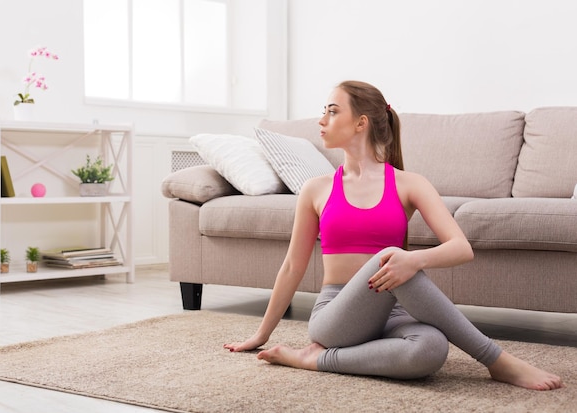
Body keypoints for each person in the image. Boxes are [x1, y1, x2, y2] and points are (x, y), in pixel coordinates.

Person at [223, 80, 563, 391]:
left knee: (431, 349)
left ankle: (312, 359)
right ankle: (498, 361)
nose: (321, 120)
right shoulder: (316, 189)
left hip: (394, 313)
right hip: (336, 316)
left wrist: (413, 259)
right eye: (323, 111)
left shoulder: (409, 183)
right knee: (388, 257)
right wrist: (261, 334)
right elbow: (292, 268)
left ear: (361, 123)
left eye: (332, 110)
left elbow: (461, 248)